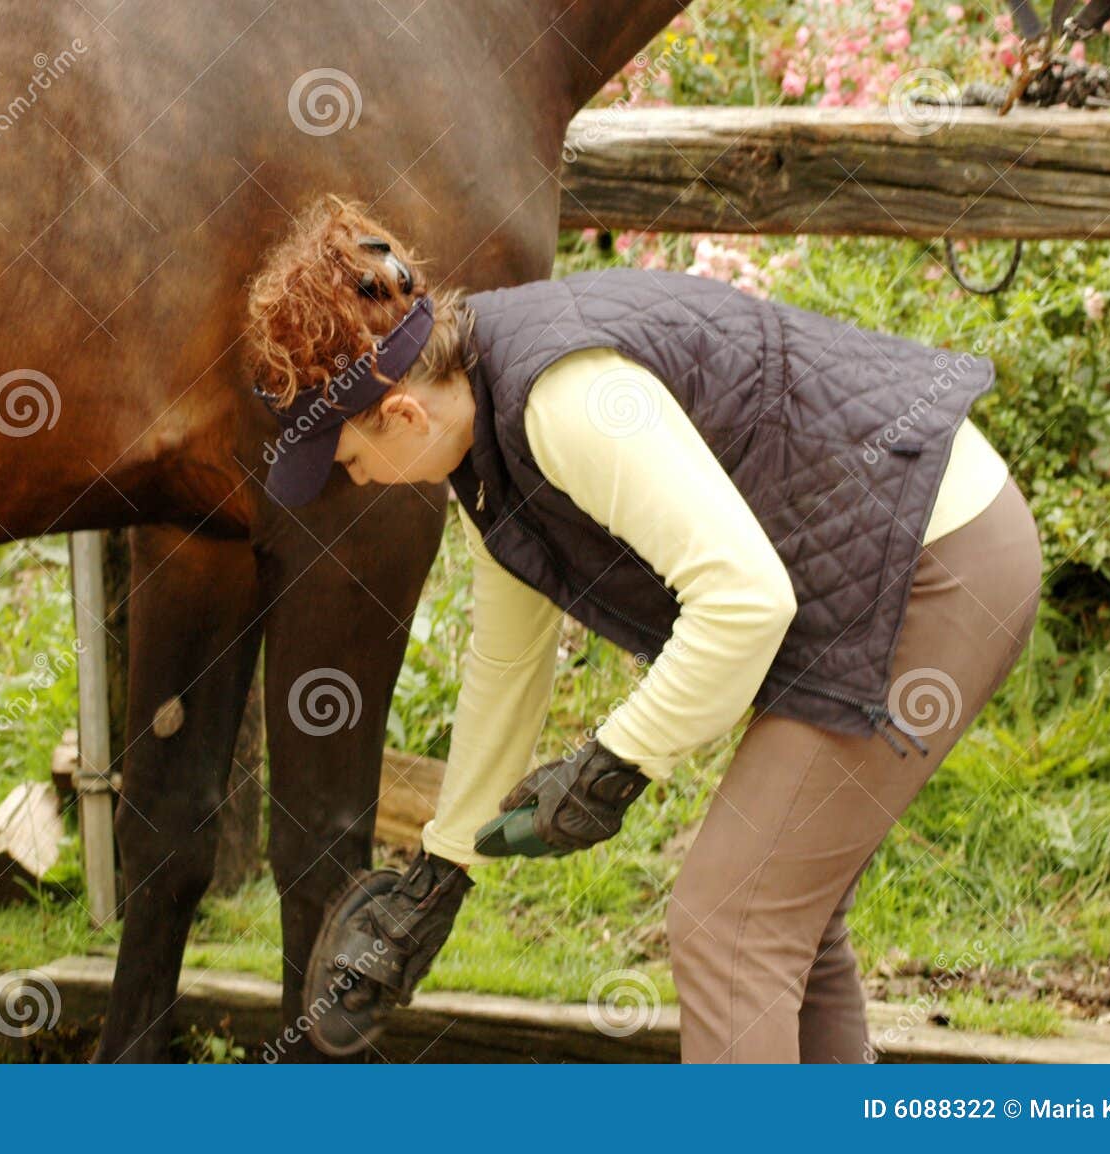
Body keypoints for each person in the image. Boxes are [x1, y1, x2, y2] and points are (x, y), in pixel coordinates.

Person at [244, 194, 1043, 1063]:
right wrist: (442, 869)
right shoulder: (482, 434)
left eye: (351, 462)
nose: (356, 484)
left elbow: (743, 601)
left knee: (730, 924)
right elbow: (508, 659)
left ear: (402, 414)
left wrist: (611, 765)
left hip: (935, 556)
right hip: (882, 560)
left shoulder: (564, 401)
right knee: (780, 928)